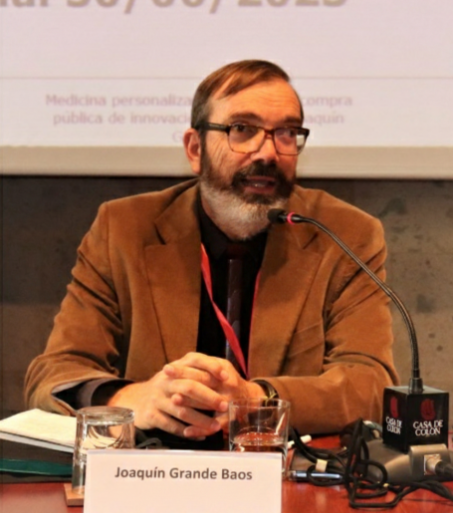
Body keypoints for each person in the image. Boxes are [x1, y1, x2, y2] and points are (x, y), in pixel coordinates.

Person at [25, 60, 398, 449]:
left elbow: (371, 385)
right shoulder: (124, 230)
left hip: (282, 471)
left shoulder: (345, 235)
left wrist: (256, 398)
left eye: (287, 133)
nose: (268, 153)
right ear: (195, 148)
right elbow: (54, 374)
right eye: (243, 129)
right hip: (157, 471)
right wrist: (134, 398)